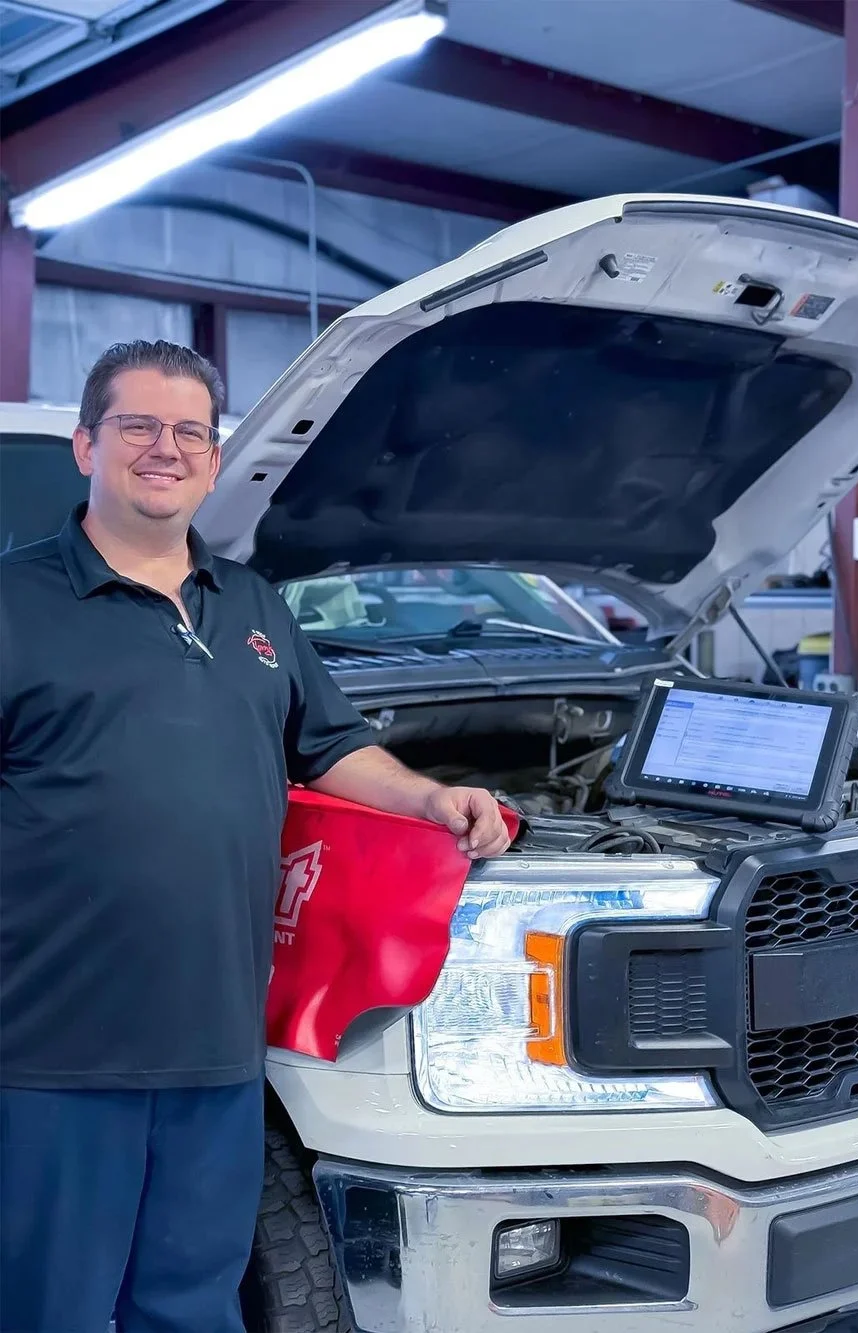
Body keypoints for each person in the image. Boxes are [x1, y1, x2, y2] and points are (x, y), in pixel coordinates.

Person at [0, 340, 511, 1333]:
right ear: (85, 445)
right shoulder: (14, 604)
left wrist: (426, 798)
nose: (166, 448)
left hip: (219, 1047)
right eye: (138, 425)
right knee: (47, 1310)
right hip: (54, 1049)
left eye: (190, 430)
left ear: (213, 457)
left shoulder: (253, 604)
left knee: (191, 1306)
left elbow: (325, 744)